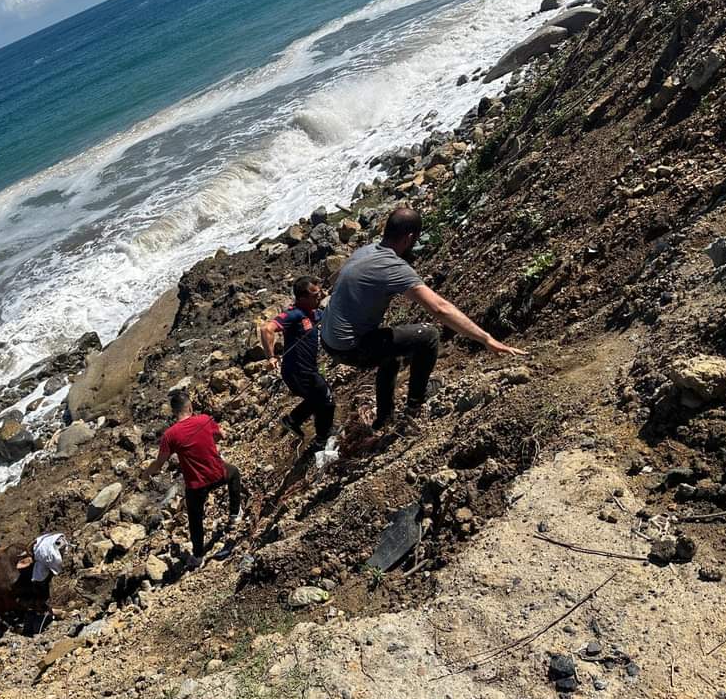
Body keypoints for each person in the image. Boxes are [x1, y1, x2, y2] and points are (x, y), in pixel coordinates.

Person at [321, 207, 526, 431]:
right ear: (409, 238)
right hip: (350, 347)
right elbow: (440, 308)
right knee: (427, 335)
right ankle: (414, 405)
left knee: (390, 354)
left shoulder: (365, 252)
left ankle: (384, 417)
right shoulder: (392, 266)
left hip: (329, 340)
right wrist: (486, 339)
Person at [142, 391, 242, 568]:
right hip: (217, 474)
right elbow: (221, 436)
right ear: (190, 407)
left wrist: (146, 474)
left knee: (195, 519)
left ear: (174, 412)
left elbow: (159, 464)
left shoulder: (170, 435)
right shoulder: (204, 419)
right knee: (234, 473)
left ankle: (197, 556)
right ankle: (234, 515)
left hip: (196, 485)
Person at [260, 275, 335, 447]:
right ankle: (322, 439)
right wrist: (271, 356)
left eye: (320, 293)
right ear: (301, 298)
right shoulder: (294, 314)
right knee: (326, 400)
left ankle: (294, 420)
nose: (320, 296)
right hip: (297, 371)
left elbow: (330, 313)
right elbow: (266, 329)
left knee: (318, 399)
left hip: (308, 369)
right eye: (315, 295)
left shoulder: (314, 313)